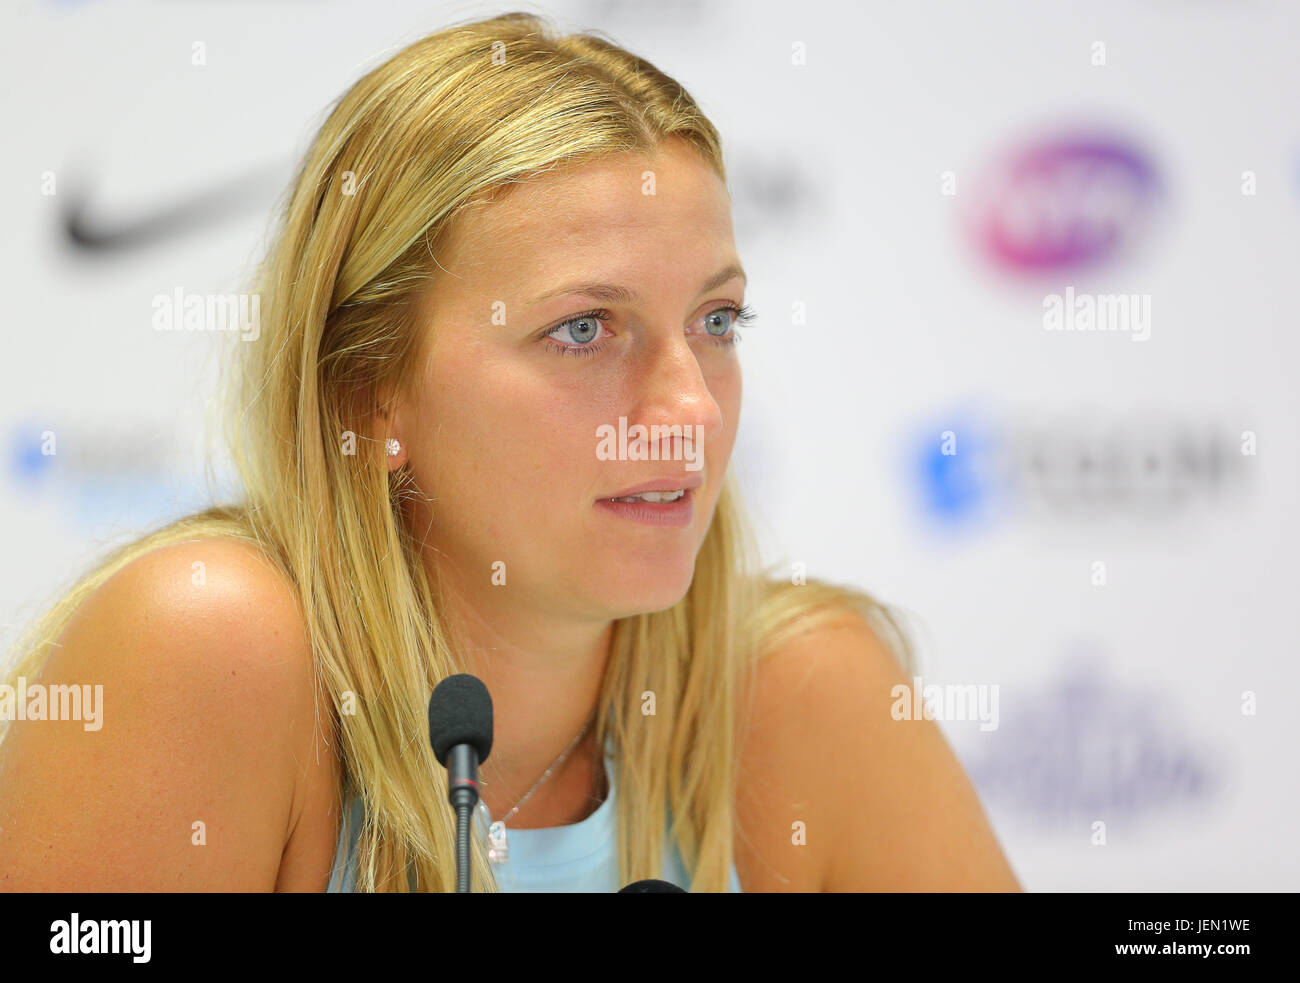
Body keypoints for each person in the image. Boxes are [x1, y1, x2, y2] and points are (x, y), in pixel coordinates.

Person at [0, 11, 1020, 892]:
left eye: (717, 320)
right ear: (370, 392)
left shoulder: (801, 692)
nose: (688, 409)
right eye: (583, 329)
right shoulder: (211, 645)